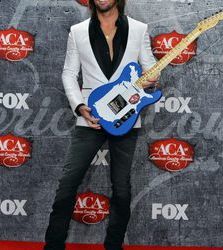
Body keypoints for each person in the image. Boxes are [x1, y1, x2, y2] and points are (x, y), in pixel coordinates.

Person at [44, 0, 159, 249]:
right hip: (90, 117)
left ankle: (113, 246)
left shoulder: (139, 29)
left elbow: (149, 68)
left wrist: (152, 78)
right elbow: (68, 73)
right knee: (67, 185)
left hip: (126, 118)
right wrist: (79, 106)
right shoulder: (78, 31)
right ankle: (53, 245)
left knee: (121, 189)